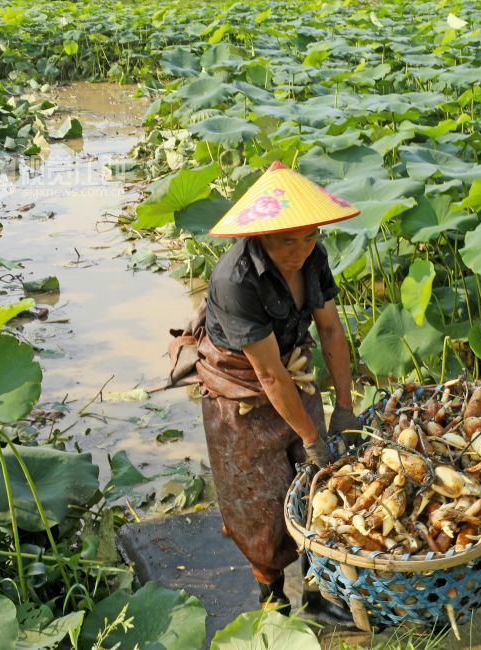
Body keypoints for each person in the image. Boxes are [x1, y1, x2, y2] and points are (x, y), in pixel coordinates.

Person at [173, 161, 361, 624]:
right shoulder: (235, 279)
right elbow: (269, 376)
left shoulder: (313, 259)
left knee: (322, 484)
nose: (299, 250)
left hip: (290, 367)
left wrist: (344, 408)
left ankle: (317, 593)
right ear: (259, 236)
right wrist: (311, 437)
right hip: (241, 389)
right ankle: (271, 596)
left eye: (309, 236)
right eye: (285, 240)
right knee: (259, 501)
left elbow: (332, 331)